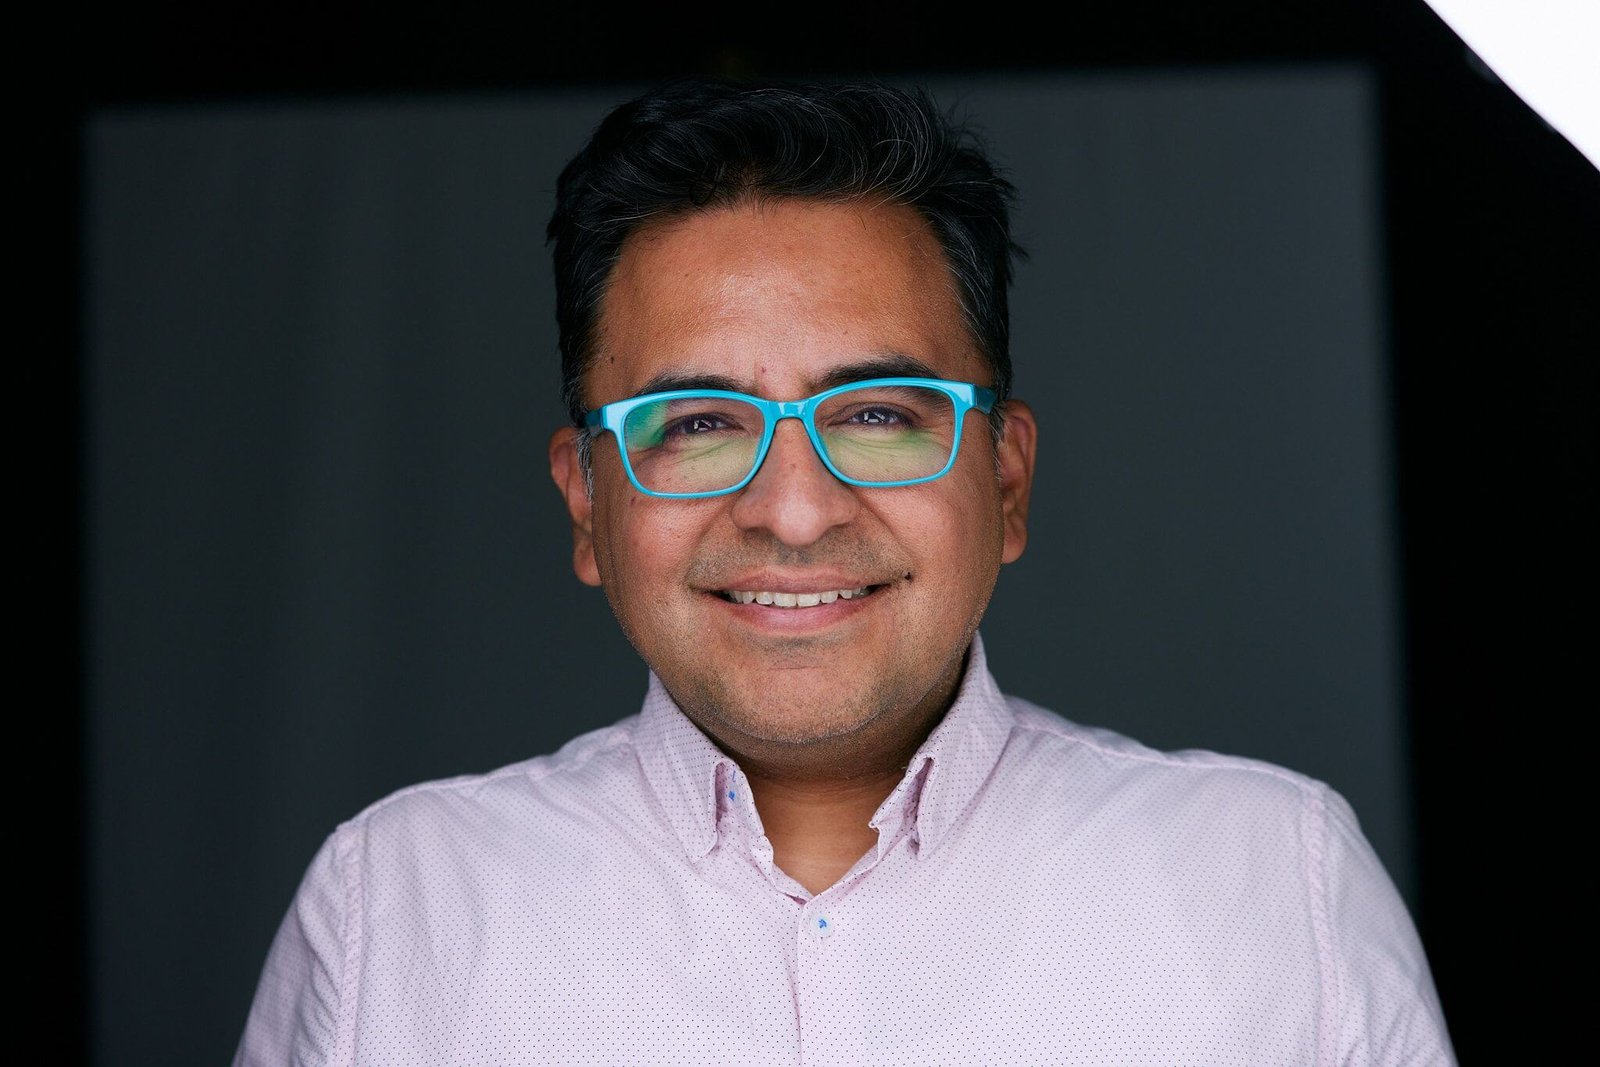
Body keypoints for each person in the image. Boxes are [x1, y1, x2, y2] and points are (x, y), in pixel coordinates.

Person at [235, 80, 1454, 1065]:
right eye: (699, 423)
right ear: (587, 506)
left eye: (875, 412)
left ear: (1007, 481)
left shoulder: (1270, 877)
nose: (796, 511)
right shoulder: (393, 905)